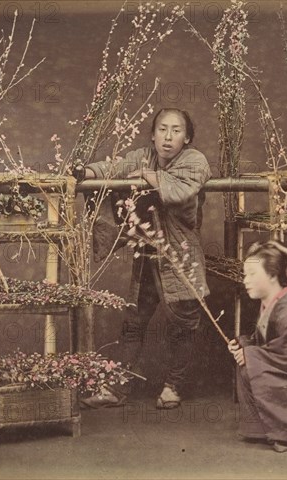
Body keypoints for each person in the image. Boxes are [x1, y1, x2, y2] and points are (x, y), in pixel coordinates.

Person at [81, 108, 211, 409]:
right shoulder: (142, 156)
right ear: (152, 135)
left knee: (183, 323)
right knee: (133, 322)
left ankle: (172, 387)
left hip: (181, 253)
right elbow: (112, 167)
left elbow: (179, 191)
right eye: (162, 129)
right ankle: (116, 388)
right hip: (148, 252)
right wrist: (85, 173)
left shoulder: (194, 161)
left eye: (176, 130)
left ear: (187, 137)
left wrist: (150, 176)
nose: (168, 136)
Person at [228, 241, 287, 452]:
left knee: (251, 363)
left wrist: (252, 355)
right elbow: (266, 343)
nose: (246, 281)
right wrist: (244, 344)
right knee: (247, 363)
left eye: (253, 274)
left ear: (272, 275)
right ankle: (262, 429)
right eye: (245, 275)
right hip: (284, 370)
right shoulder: (270, 306)